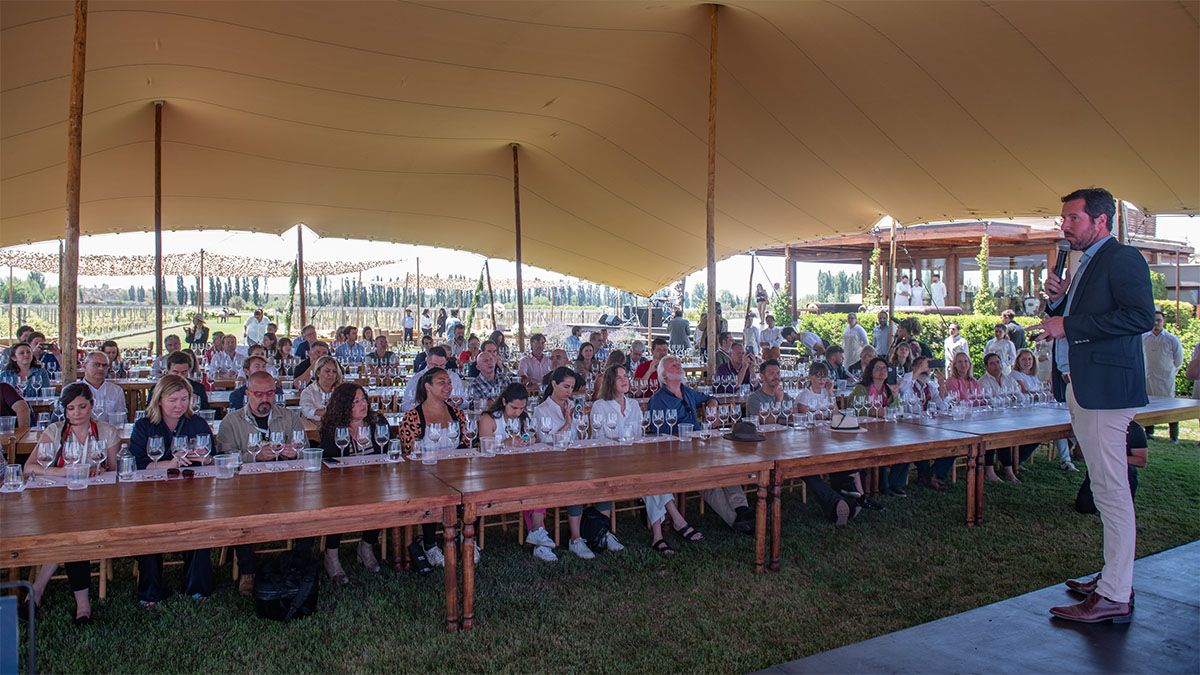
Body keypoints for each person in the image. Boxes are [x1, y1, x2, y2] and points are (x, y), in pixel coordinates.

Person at [1034, 188, 1154, 625]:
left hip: (1105, 390)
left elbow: (1140, 317)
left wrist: (1068, 322)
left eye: (1073, 218)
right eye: (1063, 218)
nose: (1064, 225)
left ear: (1101, 221)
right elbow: (1084, 318)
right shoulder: (1088, 262)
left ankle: (1114, 594)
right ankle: (1113, 576)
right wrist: (1057, 300)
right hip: (1084, 386)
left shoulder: (1123, 258)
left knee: (1111, 491)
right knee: (1105, 489)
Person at [25, 383, 121, 623]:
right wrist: (66, 472)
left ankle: (37, 591)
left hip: (97, 503)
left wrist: (97, 471)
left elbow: (113, 470)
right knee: (69, 530)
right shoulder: (55, 431)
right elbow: (29, 467)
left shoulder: (107, 431)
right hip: (60, 501)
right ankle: (82, 605)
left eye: (82, 406)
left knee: (72, 531)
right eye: (71, 408)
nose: (77, 413)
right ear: (64, 410)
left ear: (91, 405)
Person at [215, 370, 310, 594]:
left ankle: (298, 564)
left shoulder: (289, 417)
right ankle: (248, 569)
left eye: (270, 393)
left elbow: (305, 450)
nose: (265, 399)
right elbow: (225, 458)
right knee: (241, 511)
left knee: (309, 507)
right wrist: (255, 456)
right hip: (245, 487)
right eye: (259, 394)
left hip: (286, 484)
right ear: (247, 394)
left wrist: (294, 453)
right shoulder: (231, 421)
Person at [591, 364, 703, 554]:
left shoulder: (633, 404)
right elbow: (599, 439)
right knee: (651, 475)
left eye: (626, 376)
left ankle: (659, 536)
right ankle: (676, 520)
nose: (625, 380)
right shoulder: (600, 406)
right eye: (619, 378)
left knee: (652, 475)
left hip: (634, 459)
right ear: (610, 382)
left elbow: (638, 435)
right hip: (609, 461)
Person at [128, 375, 217, 606]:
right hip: (151, 492)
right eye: (173, 400)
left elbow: (211, 456)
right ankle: (150, 591)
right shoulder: (144, 425)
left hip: (191, 490)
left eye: (184, 399)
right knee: (149, 529)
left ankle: (197, 585)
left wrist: (204, 458)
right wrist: (169, 464)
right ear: (159, 400)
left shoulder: (196, 422)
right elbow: (136, 463)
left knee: (200, 524)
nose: (179, 405)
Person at [652, 356, 754, 533]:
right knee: (708, 481)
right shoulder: (658, 399)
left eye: (679, 363)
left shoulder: (688, 391)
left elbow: (711, 397)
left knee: (728, 467)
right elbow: (657, 432)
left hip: (701, 446)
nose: (678, 365)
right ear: (664, 374)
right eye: (673, 365)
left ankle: (742, 509)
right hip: (678, 454)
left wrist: (712, 407)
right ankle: (736, 520)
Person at [532, 367, 624, 558]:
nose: (569, 391)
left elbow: (582, 433)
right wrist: (566, 422)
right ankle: (575, 538)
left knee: (602, 478)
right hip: (552, 462)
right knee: (576, 483)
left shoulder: (574, 405)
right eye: (565, 386)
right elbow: (546, 441)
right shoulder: (541, 410)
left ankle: (602, 532)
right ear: (554, 384)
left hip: (577, 458)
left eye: (572, 388)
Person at [755, 360, 862, 524]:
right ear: (762, 376)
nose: (776, 377)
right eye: (771, 373)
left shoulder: (788, 397)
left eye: (778, 373)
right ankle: (840, 500)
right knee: (806, 466)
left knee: (824, 457)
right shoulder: (754, 398)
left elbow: (795, 419)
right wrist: (778, 401)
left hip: (791, 443)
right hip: (766, 447)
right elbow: (764, 423)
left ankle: (845, 495)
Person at [399, 367, 470, 569]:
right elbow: (408, 452)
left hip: (456, 471)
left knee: (475, 491)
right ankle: (429, 544)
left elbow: (465, 444)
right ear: (428, 387)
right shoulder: (413, 417)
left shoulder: (457, 414)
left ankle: (465, 537)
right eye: (442, 382)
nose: (448, 386)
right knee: (430, 493)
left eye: (449, 382)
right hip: (424, 474)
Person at [477, 384, 556, 561]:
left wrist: (525, 440)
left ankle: (537, 532)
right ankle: (538, 535)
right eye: (514, 408)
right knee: (531, 487)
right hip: (493, 473)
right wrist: (507, 443)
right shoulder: (489, 418)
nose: (517, 412)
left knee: (537, 484)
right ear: (504, 401)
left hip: (519, 469)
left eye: (521, 408)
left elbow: (532, 436)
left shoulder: (523, 418)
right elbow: (485, 446)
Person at [317, 383, 388, 581]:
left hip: (373, 480)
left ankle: (366, 545)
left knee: (382, 499)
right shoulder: (333, 428)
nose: (362, 404)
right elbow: (329, 459)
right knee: (339, 504)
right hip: (341, 483)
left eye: (363, 399)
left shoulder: (377, 421)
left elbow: (385, 451)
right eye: (355, 401)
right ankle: (331, 554)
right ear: (343, 405)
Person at [850, 358, 904, 496]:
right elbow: (857, 410)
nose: (882, 371)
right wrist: (880, 412)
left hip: (885, 430)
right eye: (878, 368)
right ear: (871, 371)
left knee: (905, 446)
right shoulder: (861, 388)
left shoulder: (888, 389)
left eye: (884, 368)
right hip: (864, 432)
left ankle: (894, 483)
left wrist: (896, 395)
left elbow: (898, 410)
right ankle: (881, 485)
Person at [1076, 421, 1146, 515]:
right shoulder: (1095, 425)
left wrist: (1112, 458)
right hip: (1099, 469)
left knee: (1129, 470)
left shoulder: (1134, 428)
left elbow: (1141, 460)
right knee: (1084, 508)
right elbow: (1078, 454)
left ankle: (1124, 502)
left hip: (1122, 470)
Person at [1142, 311, 1183, 443]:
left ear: (1163, 322)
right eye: (1153, 320)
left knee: (1170, 406)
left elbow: (1178, 361)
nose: (1156, 323)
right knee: (1149, 404)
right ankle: (1149, 432)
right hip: (1148, 377)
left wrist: (1170, 373)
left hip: (1165, 379)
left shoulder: (1171, 339)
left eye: (1159, 320)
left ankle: (1174, 436)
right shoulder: (1144, 338)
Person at [79, 351, 126, 425]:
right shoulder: (73, 390)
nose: (101, 368)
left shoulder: (116, 390)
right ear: (84, 366)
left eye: (104, 365)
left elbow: (121, 418)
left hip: (110, 433)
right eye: (96, 364)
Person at [300, 355, 343, 420]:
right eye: (327, 371)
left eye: (334, 371)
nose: (331, 374)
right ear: (318, 373)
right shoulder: (308, 392)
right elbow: (307, 411)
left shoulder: (341, 391)